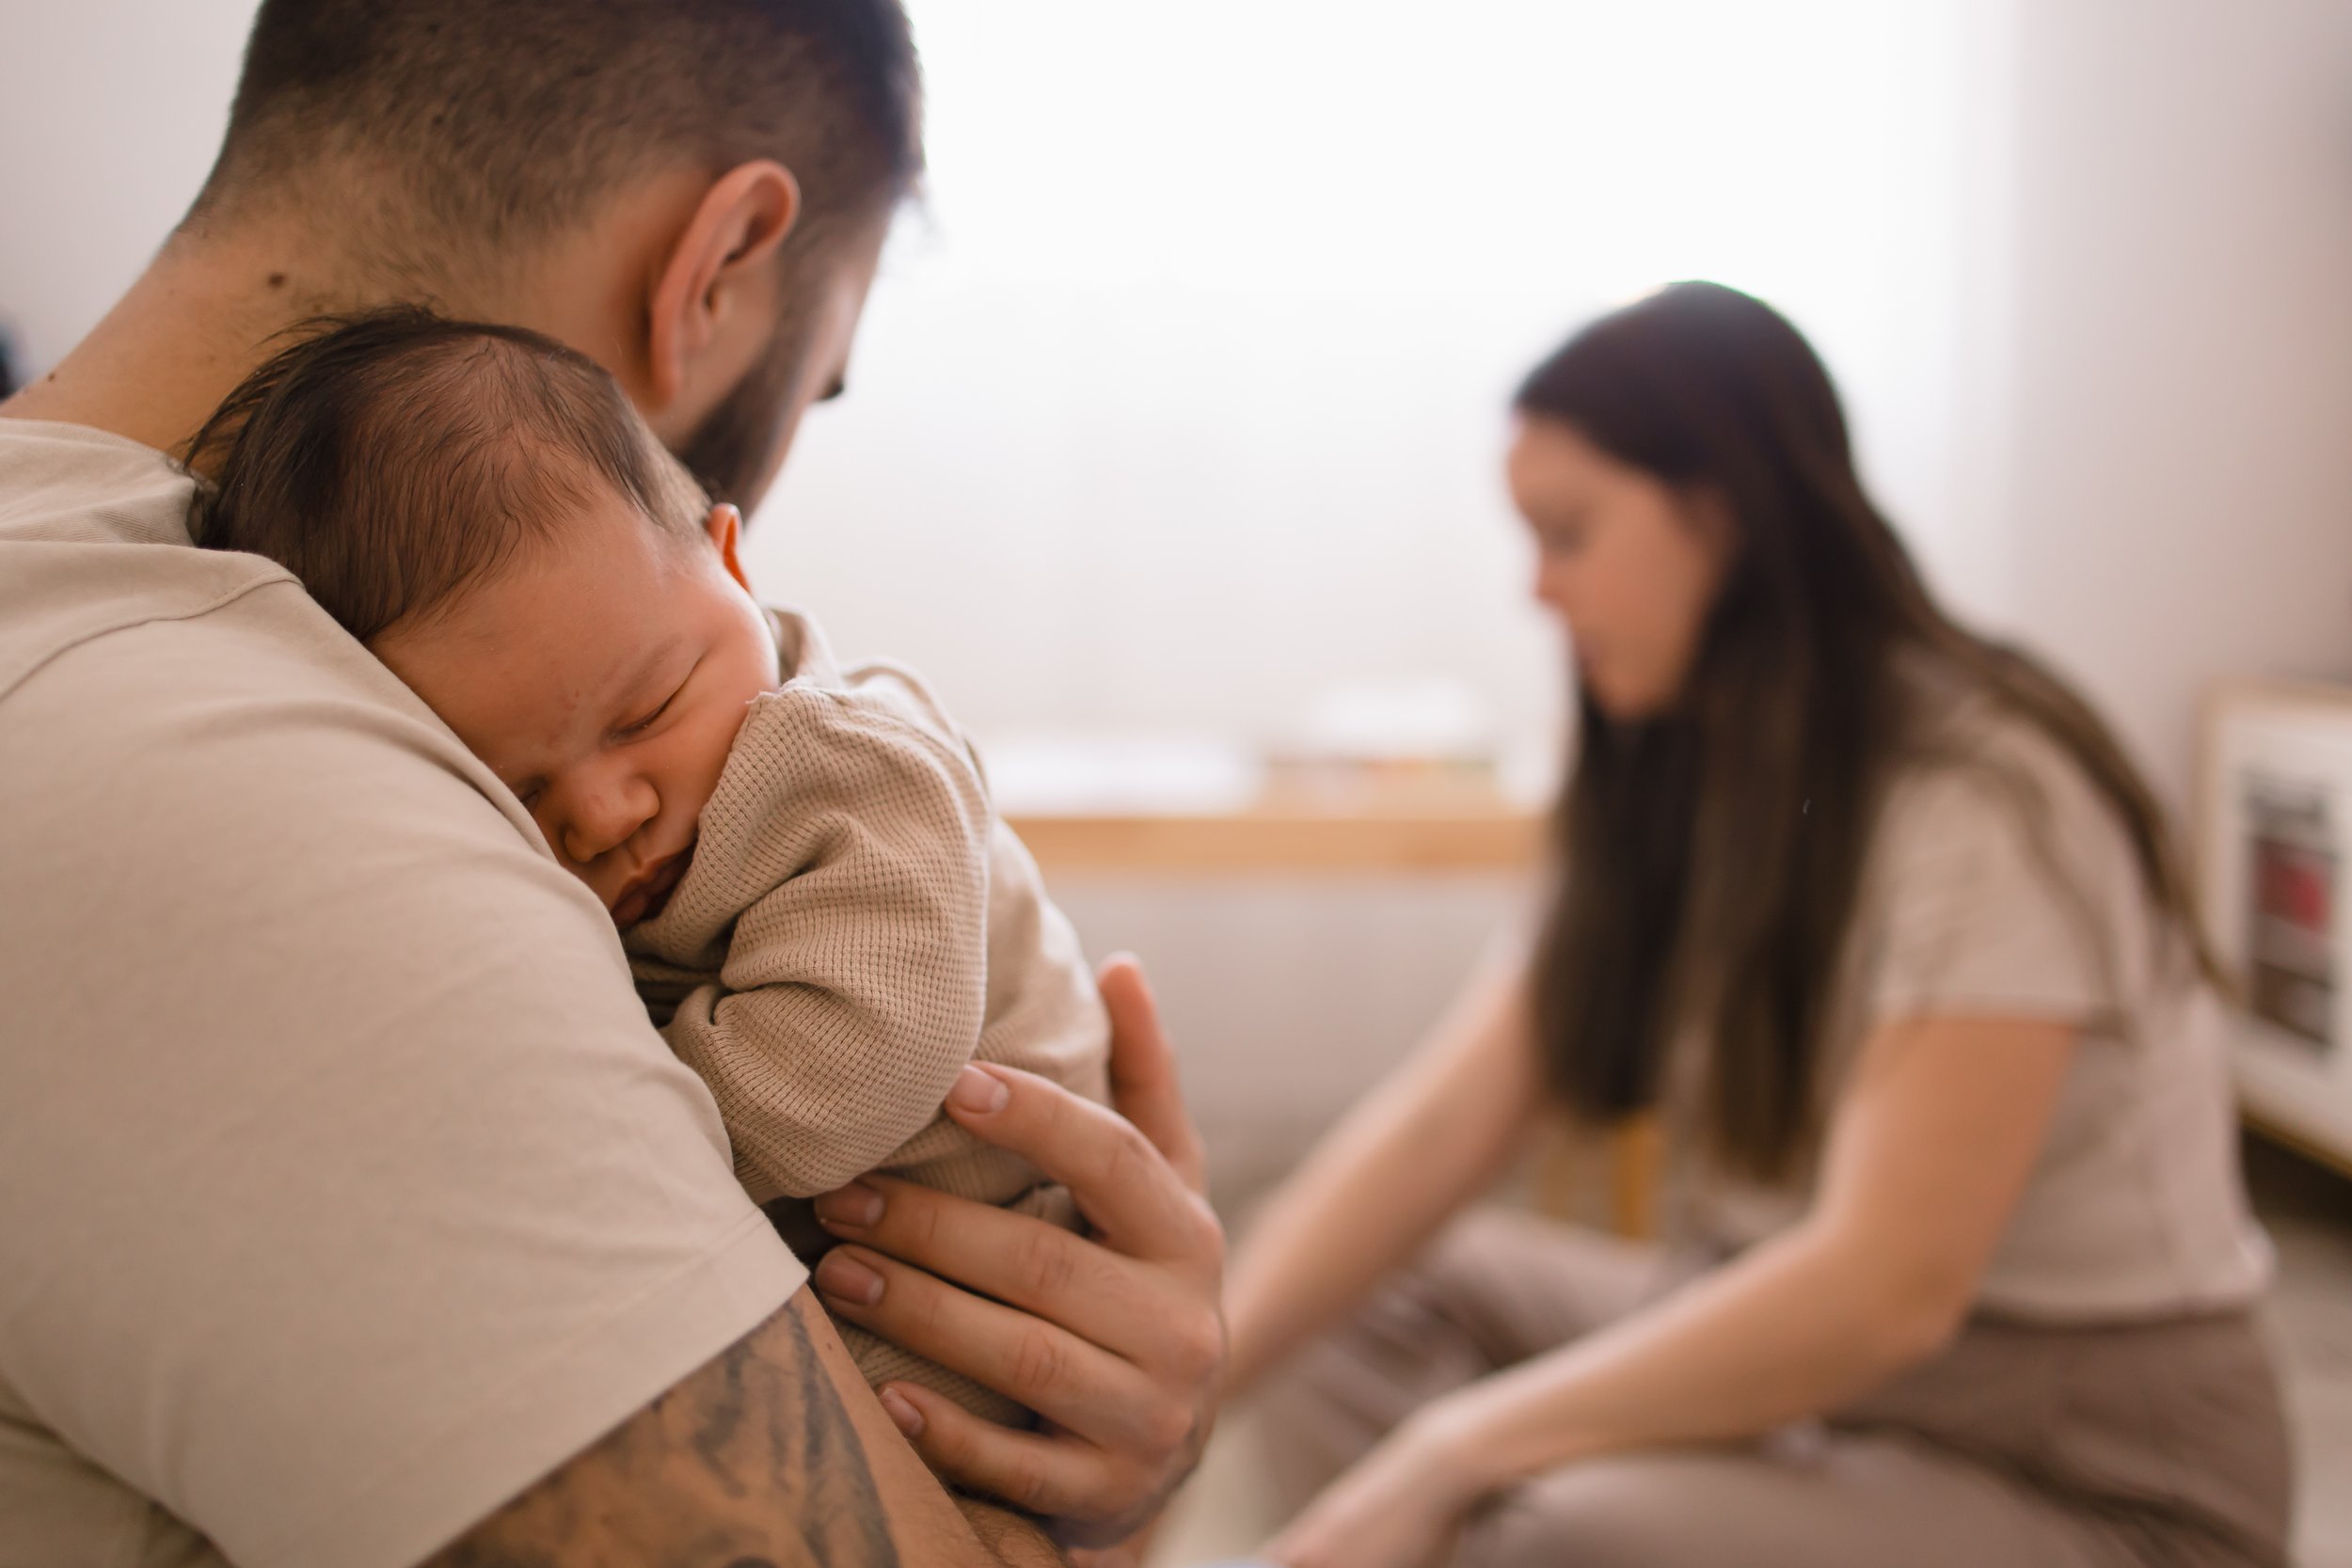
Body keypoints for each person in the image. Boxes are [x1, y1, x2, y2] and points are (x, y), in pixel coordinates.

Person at [0, 3, 1222, 1563]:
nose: (603, 807)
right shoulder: (217, 778)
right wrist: (1123, 1517)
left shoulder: (162, 647)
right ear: (721, 261)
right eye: (822, 378)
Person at [1220, 282, 2290, 1568]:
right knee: (1345, 1302)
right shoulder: (1666, 769)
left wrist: (1455, 1445)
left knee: (1553, 1528)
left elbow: (1882, 1291)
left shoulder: (1987, 794)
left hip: (2083, 1459)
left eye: (1568, 533)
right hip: (1800, 1371)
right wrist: (1176, 1399)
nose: (1540, 591)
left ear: (1719, 516)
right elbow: (1443, 1124)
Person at [188, 306, 1112, 1426]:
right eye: (516, 787)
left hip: (991, 1259)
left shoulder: (845, 762)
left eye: (648, 708)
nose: (603, 810)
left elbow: (859, 1049)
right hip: (843, 1248)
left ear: (731, 563)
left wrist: (582, 1144)